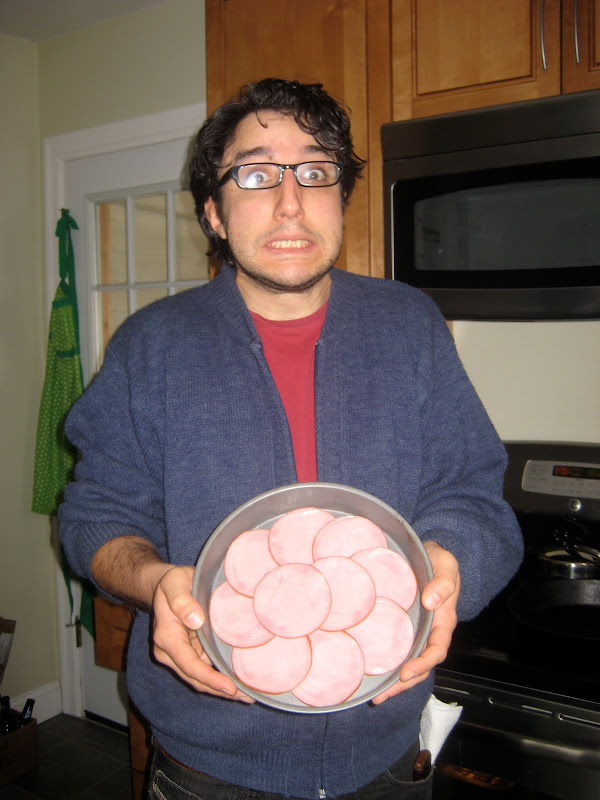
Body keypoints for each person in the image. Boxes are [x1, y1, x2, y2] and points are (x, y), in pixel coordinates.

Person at [59, 78, 523, 800]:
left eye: (314, 171)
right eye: (254, 175)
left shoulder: (410, 326)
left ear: (341, 196)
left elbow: (474, 495)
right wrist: (153, 583)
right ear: (214, 213)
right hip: (209, 769)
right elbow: (94, 516)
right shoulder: (150, 347)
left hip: (387, 757)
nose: (289, 202)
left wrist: (451, 561)